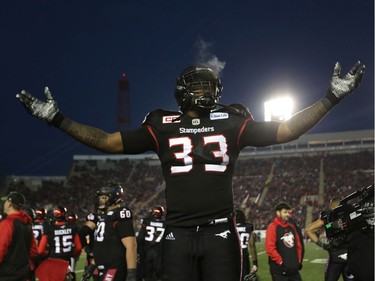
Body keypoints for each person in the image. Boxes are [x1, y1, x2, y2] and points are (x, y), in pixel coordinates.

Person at [16, 61, 365, 281]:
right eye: (198, 86)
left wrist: (330, 99)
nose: (206, 91)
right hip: (178, 231)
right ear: (182, 93)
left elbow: (287, 130)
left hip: (219, 231)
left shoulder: (232, 120)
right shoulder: (161, 123)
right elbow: (107, 141)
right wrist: (57, 119)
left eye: (210, 86)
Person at [80, 184, 137, 281]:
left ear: (115, 198)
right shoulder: (104, 217)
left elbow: (131, 245)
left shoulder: (120, 214)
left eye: (104, 197)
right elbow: (103, 246)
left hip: (114, 267)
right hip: (103, 267)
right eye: (100, 197)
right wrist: (92, 266)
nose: (101, 200)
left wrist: (131, 272)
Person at [305, 197, 351, 281]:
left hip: (335, 255)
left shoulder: (328, 217)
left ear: (331, 205)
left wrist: (322, 245)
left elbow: (308, 229)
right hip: (351, 255)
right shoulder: (351, 214)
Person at [0, 191, 38, 280]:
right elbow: (33, 252)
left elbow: (1, 250)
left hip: (6, 275)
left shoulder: (6, 224)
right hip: (23, 275)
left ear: (9, 204)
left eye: (5, 201)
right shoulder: (27, 225)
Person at [38, 205, 82, 281]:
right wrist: (73, 255)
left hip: (54, 262)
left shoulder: (49, 228)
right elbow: (78, 248)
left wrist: (47, 255)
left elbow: (41, 250)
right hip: (67, 261)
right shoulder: (72, 227)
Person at [265, 202, 303, 281]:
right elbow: (270, 248)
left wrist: (298, 260)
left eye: (288, 212)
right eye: (285, 212)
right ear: (278, 213)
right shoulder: (272, 227)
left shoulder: (291, 227)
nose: (287, 215)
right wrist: (281, 262)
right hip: (280, 271)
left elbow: (298, 245)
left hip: (293, 270)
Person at [137, 205, 166, 281]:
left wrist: (138, 251)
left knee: (145, 275)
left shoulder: (146, 221)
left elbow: (140, 238)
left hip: (146, 251)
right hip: (159, 252)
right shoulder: (165, 224)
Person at [235, 209, 258, 281]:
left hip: (233, 257)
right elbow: (252, 245)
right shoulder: (248, 227)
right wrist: (255, 263)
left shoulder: (230, 227)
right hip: (244, 257)